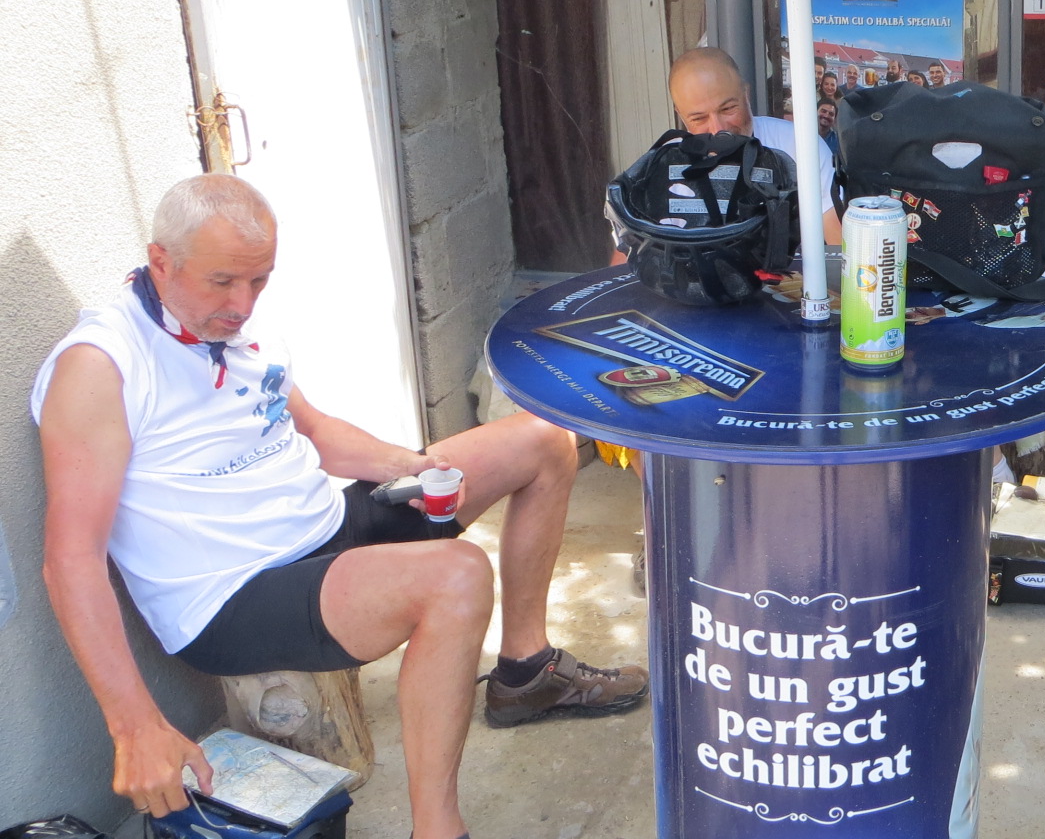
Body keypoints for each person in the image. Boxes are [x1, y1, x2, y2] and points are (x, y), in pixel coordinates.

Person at [32, 174, 647, 839]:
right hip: (234, 593)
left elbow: (316, 432)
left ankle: (526, 673)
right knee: (457, 575)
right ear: (161, 262)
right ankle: (438, 828)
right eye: (223, 282)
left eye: (259, 281)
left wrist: (411, 466)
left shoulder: (232, 324)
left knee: (543, 440)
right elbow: (71, 561)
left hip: (326, 527)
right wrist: (134, 726)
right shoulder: (102, 366)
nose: (242, 304)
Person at [668, 47, 841, 244]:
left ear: (746, 94)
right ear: (681, 115)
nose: (718, 129)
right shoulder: (664, 165)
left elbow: (837, 241)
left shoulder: (801, 146)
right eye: (699, 118)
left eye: (728, 109)